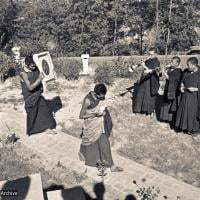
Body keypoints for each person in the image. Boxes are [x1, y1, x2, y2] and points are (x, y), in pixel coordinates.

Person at [79, 83, 123, 172]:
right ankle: (82, 152)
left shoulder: (100, 97)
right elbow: (81, 116)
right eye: (101, 97)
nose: (102, 98)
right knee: (88, 140)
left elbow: (102, 104)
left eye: (103, 96)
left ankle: (111, 165)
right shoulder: (87, 100)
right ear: (95, 93)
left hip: (101, 123)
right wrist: (96, 114)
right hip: (91, 124)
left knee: (105, 143)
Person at [20, 55, 57, 136]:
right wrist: (39, 79)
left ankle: (48, 128)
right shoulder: (23, 74)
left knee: (45, 110)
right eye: (32, 66)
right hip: (30, 97)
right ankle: (31, 130)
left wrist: (50, 72)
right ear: (26, 65)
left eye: (34, 65)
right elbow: (30, 88)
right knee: (33, 113)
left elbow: (45, 69)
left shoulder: (35, 67)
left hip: (38, 94)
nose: (34, 67)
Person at [175, 57, 200, 134]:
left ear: (194, 65)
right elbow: (182, 81)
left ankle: (194, 129)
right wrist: (181, 87)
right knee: (184, 111)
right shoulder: (186, 71)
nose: (187, 67)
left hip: (195, 97)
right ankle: (184, 127)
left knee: (192, 113)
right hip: (185, 95)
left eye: (188, 65)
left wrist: (196, 89)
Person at [133, 47, 160, 117]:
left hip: (152, 80)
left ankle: (150, 111)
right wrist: (139, 64)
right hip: (144, 78)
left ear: (156, 54)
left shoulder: (157, 62)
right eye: (149, 54)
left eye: (151, 54)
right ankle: (138, 109)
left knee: (149, 96)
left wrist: (144, 66)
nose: (149, 56)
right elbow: (145, 68)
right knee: (140, 94)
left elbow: (154, 71)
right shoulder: (148, 60)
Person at [159, 56, 182, 123]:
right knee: (165, 102)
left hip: (173, 90)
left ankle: (170, 119)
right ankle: (165, 118)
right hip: (168, 88)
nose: (171, 63)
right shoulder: (171, 69)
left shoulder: (179, 71)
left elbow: (171, 79)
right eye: (171, 62)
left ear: (177, 63)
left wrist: (165, 73)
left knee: (171, 104)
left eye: (172, 62)